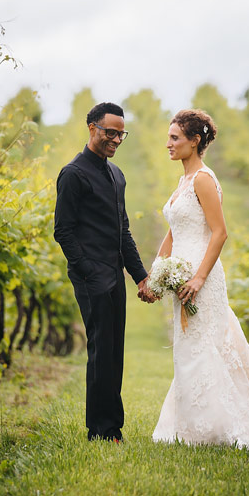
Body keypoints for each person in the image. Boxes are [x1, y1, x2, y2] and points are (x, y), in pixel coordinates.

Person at [150, 109, 249, 453]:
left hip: (202, 275)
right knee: (190, 345)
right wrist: (155, 275)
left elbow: (220, 232)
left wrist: (198, 278)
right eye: (168, 137)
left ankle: (223, 427)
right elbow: (173, 232)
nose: (168, 143)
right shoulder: (183, 181)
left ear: (194, 141)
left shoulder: (203, 179)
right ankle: (196, 424)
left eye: (175, 138)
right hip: (181, 272)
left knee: (207, 344)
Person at [53, 102, 155, 443]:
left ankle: (111, 425)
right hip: (91, 277)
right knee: (100, 350)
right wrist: (85, 270)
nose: (115, 139)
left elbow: (122, 231)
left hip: (114, 277)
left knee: (114, 351)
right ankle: (101, 429)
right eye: (110, 132)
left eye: (120, 134)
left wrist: (140, 275)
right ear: (92, 128)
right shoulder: (73, 174)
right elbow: (63, 231)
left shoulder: (116, 175)